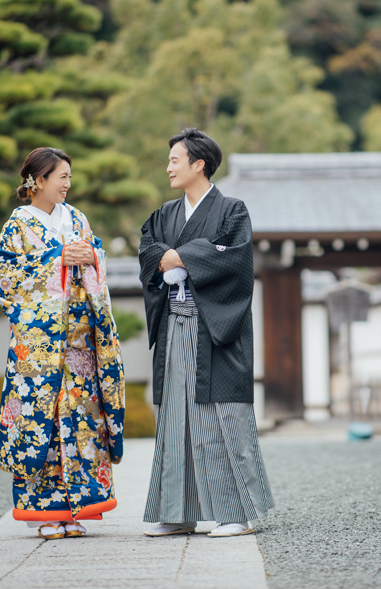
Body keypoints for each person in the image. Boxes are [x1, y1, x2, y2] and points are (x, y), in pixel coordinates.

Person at [139, 127, 274, 538]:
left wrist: (181, 255)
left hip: (216, 328)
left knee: (224, 416)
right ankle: (179, 512)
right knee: (176, 416)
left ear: (199, 164)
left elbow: (236, 261)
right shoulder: (164, 214)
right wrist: (180, 255)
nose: (168, 168)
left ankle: (238, 512)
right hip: (174, 324)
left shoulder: (232, 210)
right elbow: (148, 250)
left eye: (175, 160)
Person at [0, 147, 125, 540]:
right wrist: (58, 258)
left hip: (80, 348)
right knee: (43, 428)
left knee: (82, 422)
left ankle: (77, 509)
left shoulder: (77, 218)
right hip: (39, 351)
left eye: (69, 176)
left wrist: (90, 258)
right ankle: (46, 514)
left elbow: (94, 261)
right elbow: (8, 276)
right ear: (38, 180)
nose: (68, 184)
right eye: (61, 176)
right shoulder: (17, 226)